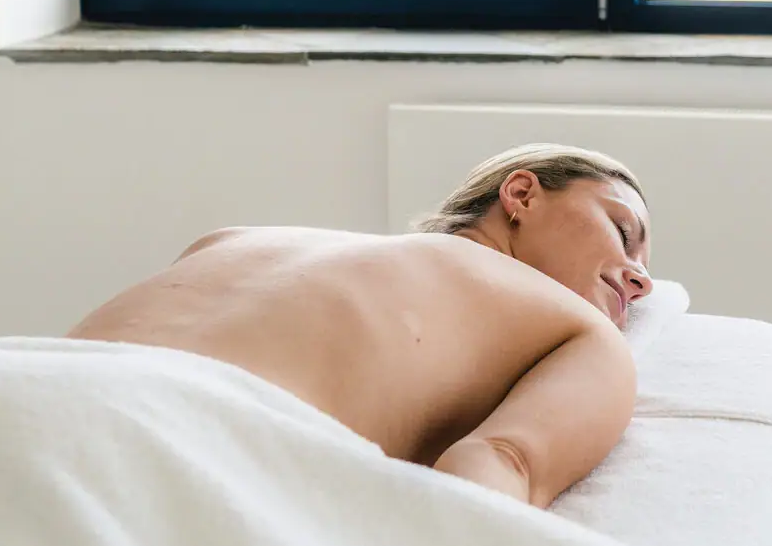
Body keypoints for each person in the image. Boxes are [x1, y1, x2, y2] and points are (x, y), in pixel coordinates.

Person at [67, 143, 653, 508]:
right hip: (186, 453)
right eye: (623, 232)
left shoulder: (234, 240)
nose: (642, 280)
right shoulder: (582, 330)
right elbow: (493, 476)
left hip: (33, 384)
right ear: (521, 194)